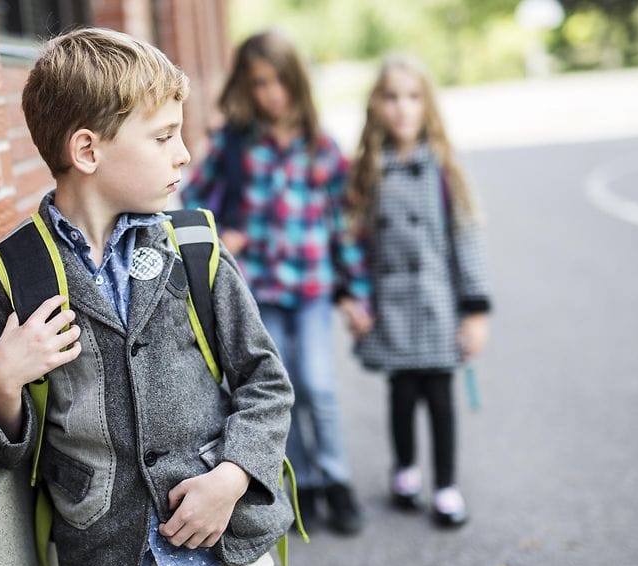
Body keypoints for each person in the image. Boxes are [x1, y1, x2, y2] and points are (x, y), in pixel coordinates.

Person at [0, 28, 295, 566]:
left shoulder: (194, 247)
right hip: (108, 556)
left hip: (226, 546)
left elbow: (267, 382)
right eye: (164, 137)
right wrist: (1, 385)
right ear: (88, 150)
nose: (185, 154)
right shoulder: (14, 277)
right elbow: (5, 453)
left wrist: (234, 474)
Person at [181, 30, 372, 536]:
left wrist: (354, 292)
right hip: (259, 292)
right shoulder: (234, 144)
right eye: (260, 83)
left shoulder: (321, 146)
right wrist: (222, 237)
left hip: (311, 291)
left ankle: (336, 479)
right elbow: (190, 205)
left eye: (280, 82)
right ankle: (302, 479)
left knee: (319, 386)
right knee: (276, 389)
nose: (272, 95)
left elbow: (343, 226)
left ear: (297, 82)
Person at [349, 53, 492, 528]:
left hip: (437, 306)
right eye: (391, 98)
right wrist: (355, 299)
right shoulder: (368, 171)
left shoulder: (444, 169)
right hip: (390, 307)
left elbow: (466, 238)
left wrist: (474, 309)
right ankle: (406, 468)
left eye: (413, 97)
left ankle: (447, 485)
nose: (402, 108)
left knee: (440, 396)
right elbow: (354, 243)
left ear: (427, 106)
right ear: (376, 106)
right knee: (402, 393)